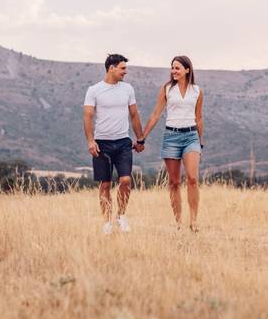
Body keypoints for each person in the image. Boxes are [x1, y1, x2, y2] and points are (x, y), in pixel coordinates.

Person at [140, 55, 204, 231]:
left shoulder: (197, 91)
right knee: (174, 182)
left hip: (191, 136)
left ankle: (194, 220)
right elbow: (156, 114)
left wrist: (200, 141)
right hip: (171, 137)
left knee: (192, 179)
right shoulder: (167, 89)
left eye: (177, 68)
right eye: (172, 68)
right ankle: (178, 222)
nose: (173, 71)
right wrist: (142, 137)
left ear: (187, 70)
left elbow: (199, 118)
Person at [83, 53, 145, 234]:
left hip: (123, 142)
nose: (126, 72)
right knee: (105, 185)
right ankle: (107, 222)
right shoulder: (94, 90)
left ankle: (121, 216)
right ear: (112, 68)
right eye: (123, 68)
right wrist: (90, 141)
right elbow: (87, 116)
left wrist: (140, 138)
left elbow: (134, 115)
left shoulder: (128, 89)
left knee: (126, 180)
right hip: (102, 144)